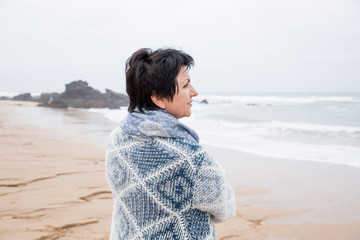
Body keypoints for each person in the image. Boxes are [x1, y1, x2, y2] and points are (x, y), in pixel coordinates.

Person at [105, 48, 236, 240]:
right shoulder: (191, 159)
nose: (194, 92)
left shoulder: (116, 139)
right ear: (158, 97)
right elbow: (226, 208)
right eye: (185, 85)